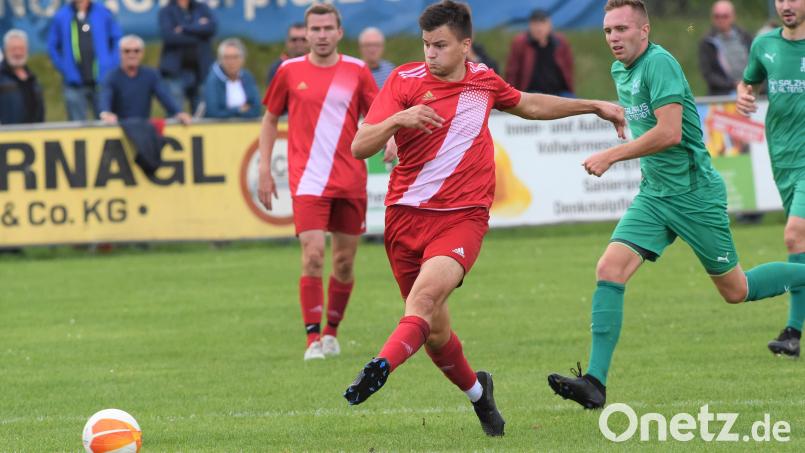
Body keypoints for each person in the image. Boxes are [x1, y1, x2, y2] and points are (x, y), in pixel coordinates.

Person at [342, 0, 624, 436]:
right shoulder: (403, 81)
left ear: (465, 45)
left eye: (440, 45)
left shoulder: (483, 82)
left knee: (422, 303)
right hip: (404, 217)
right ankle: (478, 393)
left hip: (462, 219)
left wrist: (592, 105)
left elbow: (530, 104)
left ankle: (380, 366)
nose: (430, 53)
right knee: (434, 332)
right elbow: (360, 146)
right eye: (426, 44)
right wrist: (399, 120)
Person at [547, 0, 805, 410]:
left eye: (621, 29)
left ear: (644, 30)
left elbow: (669, 133)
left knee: (736, 290)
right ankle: (595, 383)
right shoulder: (620, 70)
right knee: (609, 268)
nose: (613, 37)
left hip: (693, 194)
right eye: (608, 30)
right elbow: (647, 121)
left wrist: (612, 155)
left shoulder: (660, 64)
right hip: (655, 195)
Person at [257, 4, 379, 361]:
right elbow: (269, 119)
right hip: (307, 179)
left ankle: (331, 333)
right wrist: (264, 167)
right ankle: (312, 338)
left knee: (343, 263)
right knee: (312, 256)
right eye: (315, 29)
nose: (322, 35)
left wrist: (389, 138)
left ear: (339, 32)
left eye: (328, 28)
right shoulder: (289, 71)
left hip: (350, 179)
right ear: (306, 33)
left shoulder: (357, 70)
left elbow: (377, 115)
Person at [737, 0, 805, 357]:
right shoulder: (764, 44)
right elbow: (748, 82)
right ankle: (792, 335)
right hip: (783, 159)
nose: (786, 5)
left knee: (794, 234)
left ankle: (792, 329)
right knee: (800, 246)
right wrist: (743, 95)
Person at [47, 0, 121, 121]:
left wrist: (110, 65)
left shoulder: (103, 13)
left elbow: (116, 40)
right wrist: (65, 68)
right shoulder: (61, 16)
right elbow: (52, 46)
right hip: (74, 84)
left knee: (106, 121)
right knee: (77, 125)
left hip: (102, 81)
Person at [99, 35, 191, 125]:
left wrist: (178, 112)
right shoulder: (111, 76)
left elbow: (164, 96)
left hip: (143, 128)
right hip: (119, 128)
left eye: (136, 51)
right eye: (127, 51)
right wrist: (106, 113)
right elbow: (105, 97)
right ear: (120, 53)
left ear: (142, 53)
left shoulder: (151, 75)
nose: (132, 55)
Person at [158, 0, 217, 114]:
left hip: (201, 71)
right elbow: (169, 37)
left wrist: (184, 29)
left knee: (201, 114)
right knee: (176, 114)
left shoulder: (202, 8)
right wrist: (200, 33)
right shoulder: (166, 11)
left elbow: (212, 28)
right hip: (175, 73)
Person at [505, 9, 574, 97]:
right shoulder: (521, 43)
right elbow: (512, 72)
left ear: (550, 25)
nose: (539, 28)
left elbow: (568, 68)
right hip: (532, 93)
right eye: (535, 24)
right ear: (529, 26)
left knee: (575, 102)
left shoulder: (560, 42)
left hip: (559, 92)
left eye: (543, 23)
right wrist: (511, 94)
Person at [698, 0, 753, 96]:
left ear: (733, 16)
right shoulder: (707, 42)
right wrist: (732, 85)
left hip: (749, 89)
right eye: (717, 16)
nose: (721, 20)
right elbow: (708, 74)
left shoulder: (746, 37)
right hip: (721, 95)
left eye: (725, 16)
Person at [202, 38, 261, 119]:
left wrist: (228, 112)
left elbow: (256, 109)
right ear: (220, 60)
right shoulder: (213, 80)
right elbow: (213, 112)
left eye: (235, 57)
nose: (231, 62)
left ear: (243, 59)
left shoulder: (247, 77)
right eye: (226, 58)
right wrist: (238, 110)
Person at [0, 29, 44, 125]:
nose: (18, 53)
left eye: (21, 49)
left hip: (34, 133)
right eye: (13, 49)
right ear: (5, 51)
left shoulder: (32, 79)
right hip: (7, 133)